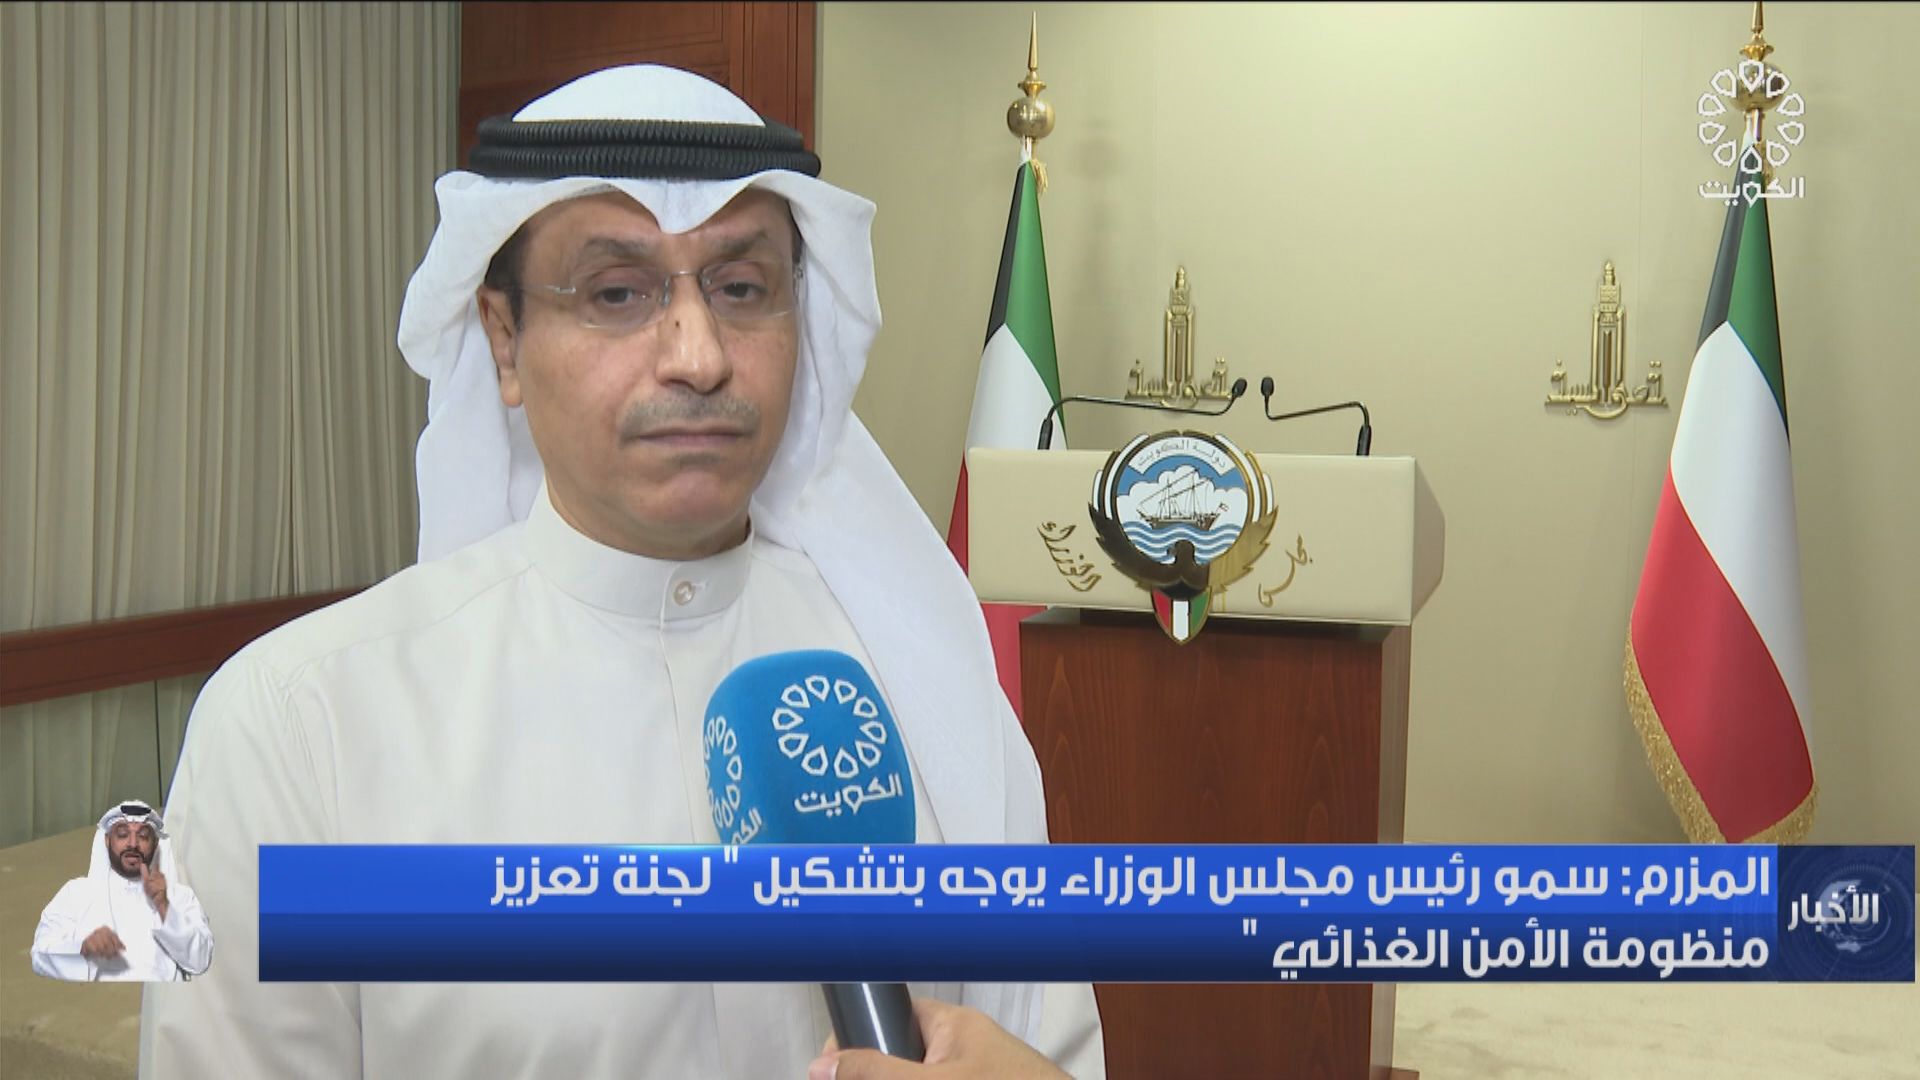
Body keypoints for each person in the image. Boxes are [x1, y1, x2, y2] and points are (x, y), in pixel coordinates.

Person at [139, 64, 1105, 1078]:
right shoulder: (302, 724)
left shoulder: (921, 675)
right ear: (504, 339)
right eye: (616, 293)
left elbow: (1050, 1046)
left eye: (742, 289)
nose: (698, 356)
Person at [31, 800, 214, 983]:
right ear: (107, 840)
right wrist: (81, 947)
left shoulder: (181, 897)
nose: (133, 844)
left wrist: (164, 907)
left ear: (155, 844)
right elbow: (39, 955)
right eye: (122, 835)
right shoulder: (76, 893)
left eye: (143, 836)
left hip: (160, 999)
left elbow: (201, 960)